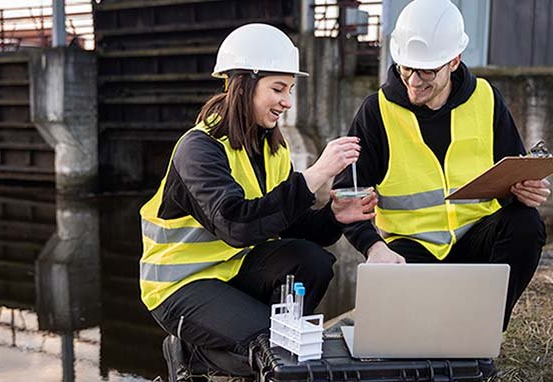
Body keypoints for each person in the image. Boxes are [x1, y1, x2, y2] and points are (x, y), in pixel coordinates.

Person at [139, 23, 377, 380]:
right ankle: (191, 354)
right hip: (181, 286)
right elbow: (236, 225)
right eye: (278, 88)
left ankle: (247, 345)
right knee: (274, 351)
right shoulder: (199, 149)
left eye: (290, 89)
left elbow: (289, 224)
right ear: (243, 85)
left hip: (234, 271)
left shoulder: (271, 149)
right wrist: (314, 175)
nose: (287, 101)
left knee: (312, 260)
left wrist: (333, 216)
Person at [335, 0, 550, 373]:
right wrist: (373, 247)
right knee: (408, 345)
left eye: (427, 71)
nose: (415, 81)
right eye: (406, 69)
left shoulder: (486, 99)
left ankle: (481, 335)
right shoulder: (377, 111)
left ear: (454, 61)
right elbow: (345, 196)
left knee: (526, 223)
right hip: (410, 251)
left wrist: (528, 189)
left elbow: (515, 173)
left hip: (476, 239)